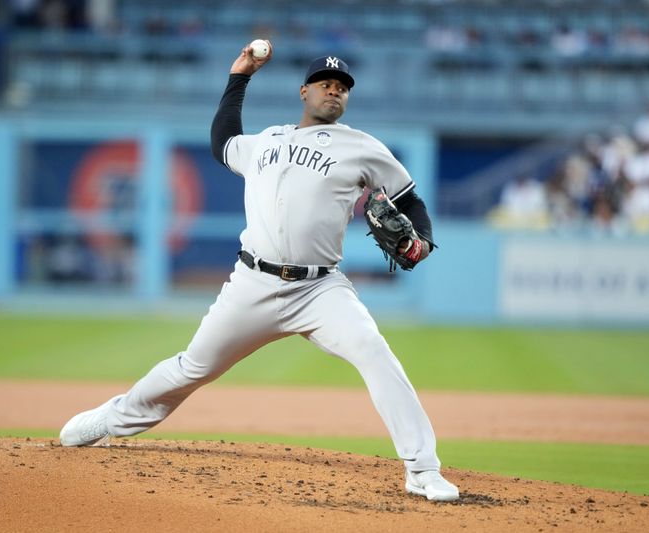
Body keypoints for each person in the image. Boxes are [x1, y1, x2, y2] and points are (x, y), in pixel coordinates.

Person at [59, 42, 459, 502]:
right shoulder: (266, 141)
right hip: (253, 283)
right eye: (326, 84)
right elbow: (223, 141)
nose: (335, 91)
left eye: (343, 87)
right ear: (304, 91)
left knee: (375, 352)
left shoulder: (363, 147)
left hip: (320, 289)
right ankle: (114, 418)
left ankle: (422, 469)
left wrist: (422, 241)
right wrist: (239, 76)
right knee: (193, 367)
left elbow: (409, 201)